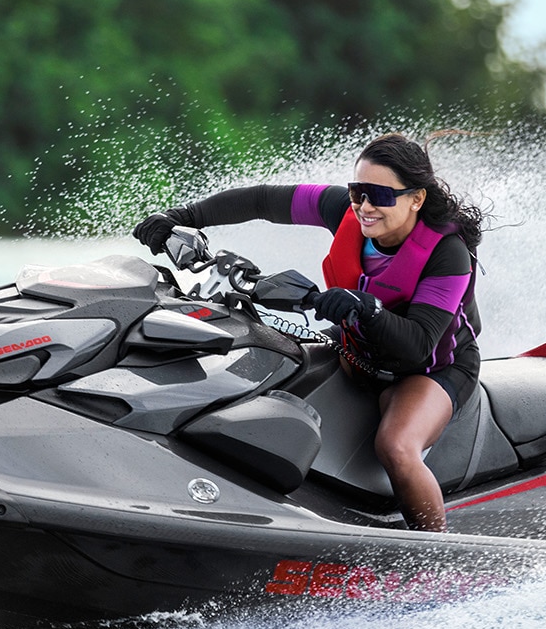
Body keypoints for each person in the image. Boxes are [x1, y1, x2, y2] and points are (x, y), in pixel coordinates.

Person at [133, 133, 483, 531]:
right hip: (358, 349)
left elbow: (419, 346)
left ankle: (431, 562)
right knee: (258, 371)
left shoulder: (447, 253)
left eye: (381, 196)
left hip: (433, 370)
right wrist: (182, 217)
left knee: (396, 447)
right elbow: (263, 200)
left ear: (416, 199)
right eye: (358, 192)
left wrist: (365, 309)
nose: (365, 207)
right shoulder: (344, 210)